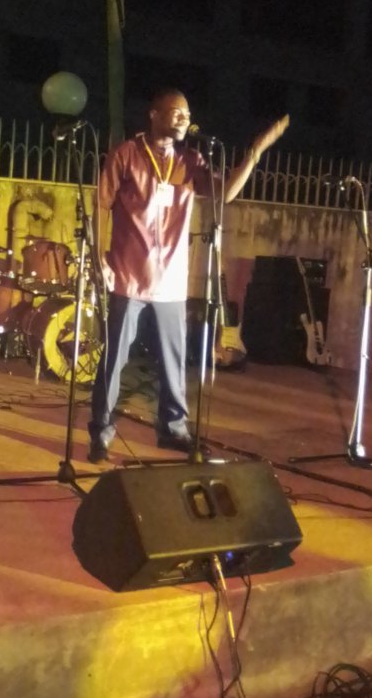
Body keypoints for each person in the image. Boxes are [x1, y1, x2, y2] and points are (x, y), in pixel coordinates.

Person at [87, 88, 289, 462]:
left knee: (174, 361)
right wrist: (100, 256)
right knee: (114, 358)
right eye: (177, 113)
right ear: (154, 114)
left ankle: (173, 430)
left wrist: (255, 154)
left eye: (188, 115)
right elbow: (101, 204)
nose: (184, 120)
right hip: (128, 276)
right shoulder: (126, 154)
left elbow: (225, 194)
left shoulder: (190, 160)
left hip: (170, 282)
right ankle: (100, 432)